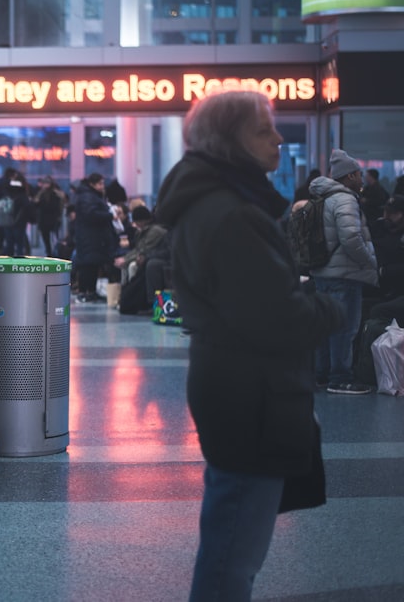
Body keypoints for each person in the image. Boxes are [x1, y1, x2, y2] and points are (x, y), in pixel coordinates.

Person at [155, 90, 343, 601]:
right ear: (231, 141)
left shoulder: (214, 204)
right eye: (264, 129)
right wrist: (328, 307)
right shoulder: (232, 214)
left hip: (236, 384)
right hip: (250, 394)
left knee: (230, 535)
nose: (279, 139)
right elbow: (276, 317)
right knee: (234, 550)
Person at [308, 149, 379, 395]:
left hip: (323, 273)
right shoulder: (345, 199)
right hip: (344, 275)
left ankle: (322, 375)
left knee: (326, 327)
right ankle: (340, 378)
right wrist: (369, 260)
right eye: (358, 174)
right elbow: (350, 238)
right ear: (348, 177)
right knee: (345, 328)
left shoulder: (322, 198)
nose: (361, 178)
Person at [73, 173, 119, 303]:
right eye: (100, 184)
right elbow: (91, 214)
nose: (102, 186)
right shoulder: (88, 197)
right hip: (90, 237)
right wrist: (109, 215)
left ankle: (90, 291)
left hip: (92, 236)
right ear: (92, 184)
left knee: (92, 265)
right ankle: (85, 291)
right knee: (88, 265)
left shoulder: (90, 196)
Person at [34, 176, 65, 257]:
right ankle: (50, 252)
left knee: (52, 237)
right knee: (47, 237)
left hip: (51, 218)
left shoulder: (54, 193)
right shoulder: (41, 193)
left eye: (47, 183)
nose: (45, 185)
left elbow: (56, 206)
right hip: (46, 219)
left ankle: (53, 251)